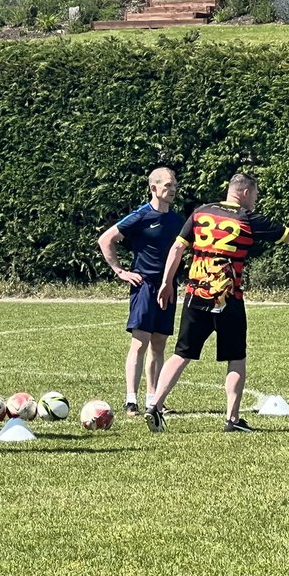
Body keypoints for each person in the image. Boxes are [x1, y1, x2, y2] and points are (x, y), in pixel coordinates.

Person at [145, 172, 289, 433]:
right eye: (256, 194)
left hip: (196, 293)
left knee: (182, 353)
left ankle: (155, 406)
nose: (256, 200)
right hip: (228, 297)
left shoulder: (201, 212)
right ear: (246, 192)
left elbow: (177, 249)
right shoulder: (247, 218)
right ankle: (233, 420)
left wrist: (167, 282)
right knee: (235, 357)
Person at [97, 167, 185, 417]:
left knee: (159, 343)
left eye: (174, 185)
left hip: (168, 286)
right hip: (144, 286)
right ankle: (131, 400)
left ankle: (153, 400)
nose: (172, 190)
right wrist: (120, 270)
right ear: (153, 188)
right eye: (167, 185)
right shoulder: (141, 216)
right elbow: (106, 239)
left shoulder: (177, 220)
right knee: (140, 343)